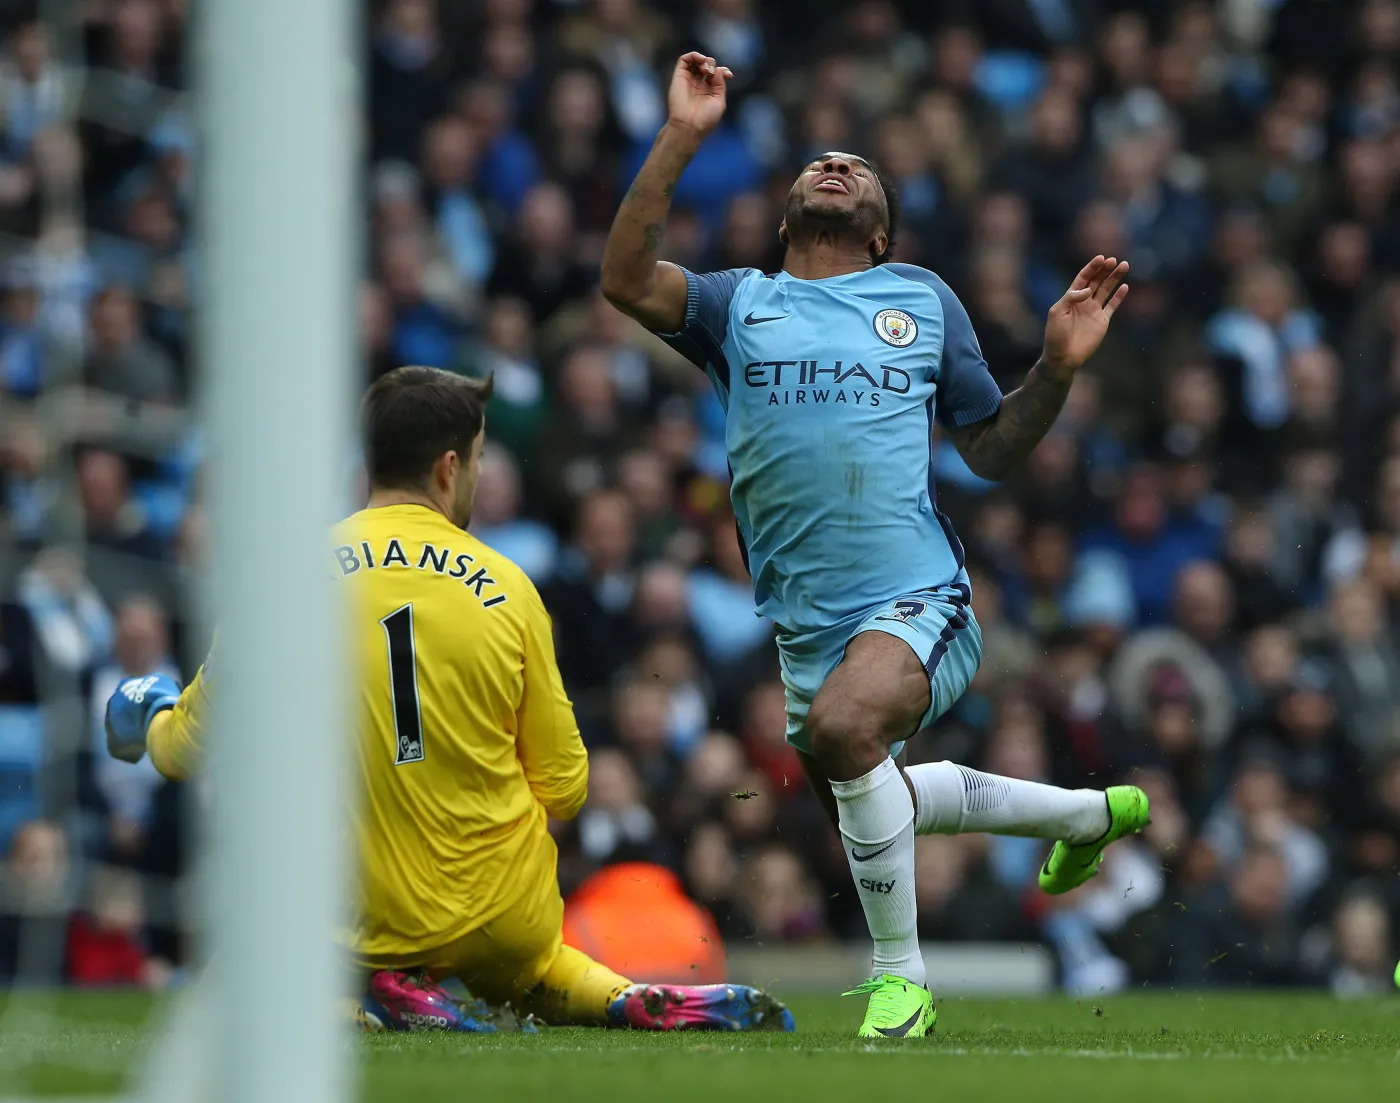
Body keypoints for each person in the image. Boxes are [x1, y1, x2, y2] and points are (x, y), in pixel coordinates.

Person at [601, 52, 1149, 1039]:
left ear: (882, 231)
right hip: (803, 625)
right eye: (819, 160)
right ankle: (1082, 817)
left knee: (852, 730)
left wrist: (1055, 371)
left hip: (917, 597)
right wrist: (681, 135)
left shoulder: (920, 299)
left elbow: (989, 448)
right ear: (783, 221)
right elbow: (623, 278)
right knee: (876, 790)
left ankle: (900, 979)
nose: (835, 161)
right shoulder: (740, 304)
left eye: (856, 163)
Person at [103, 365, 792, 1035]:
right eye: (481, 459)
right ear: (448, 467)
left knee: (240, 977)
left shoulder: (284, 577)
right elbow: (568, 788)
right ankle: (618, 995)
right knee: (538, 969)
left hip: (354, 915)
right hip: (501, 910)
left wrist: (145, 706)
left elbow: (182, 751)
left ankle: (366, 1000)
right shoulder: (510, 587)